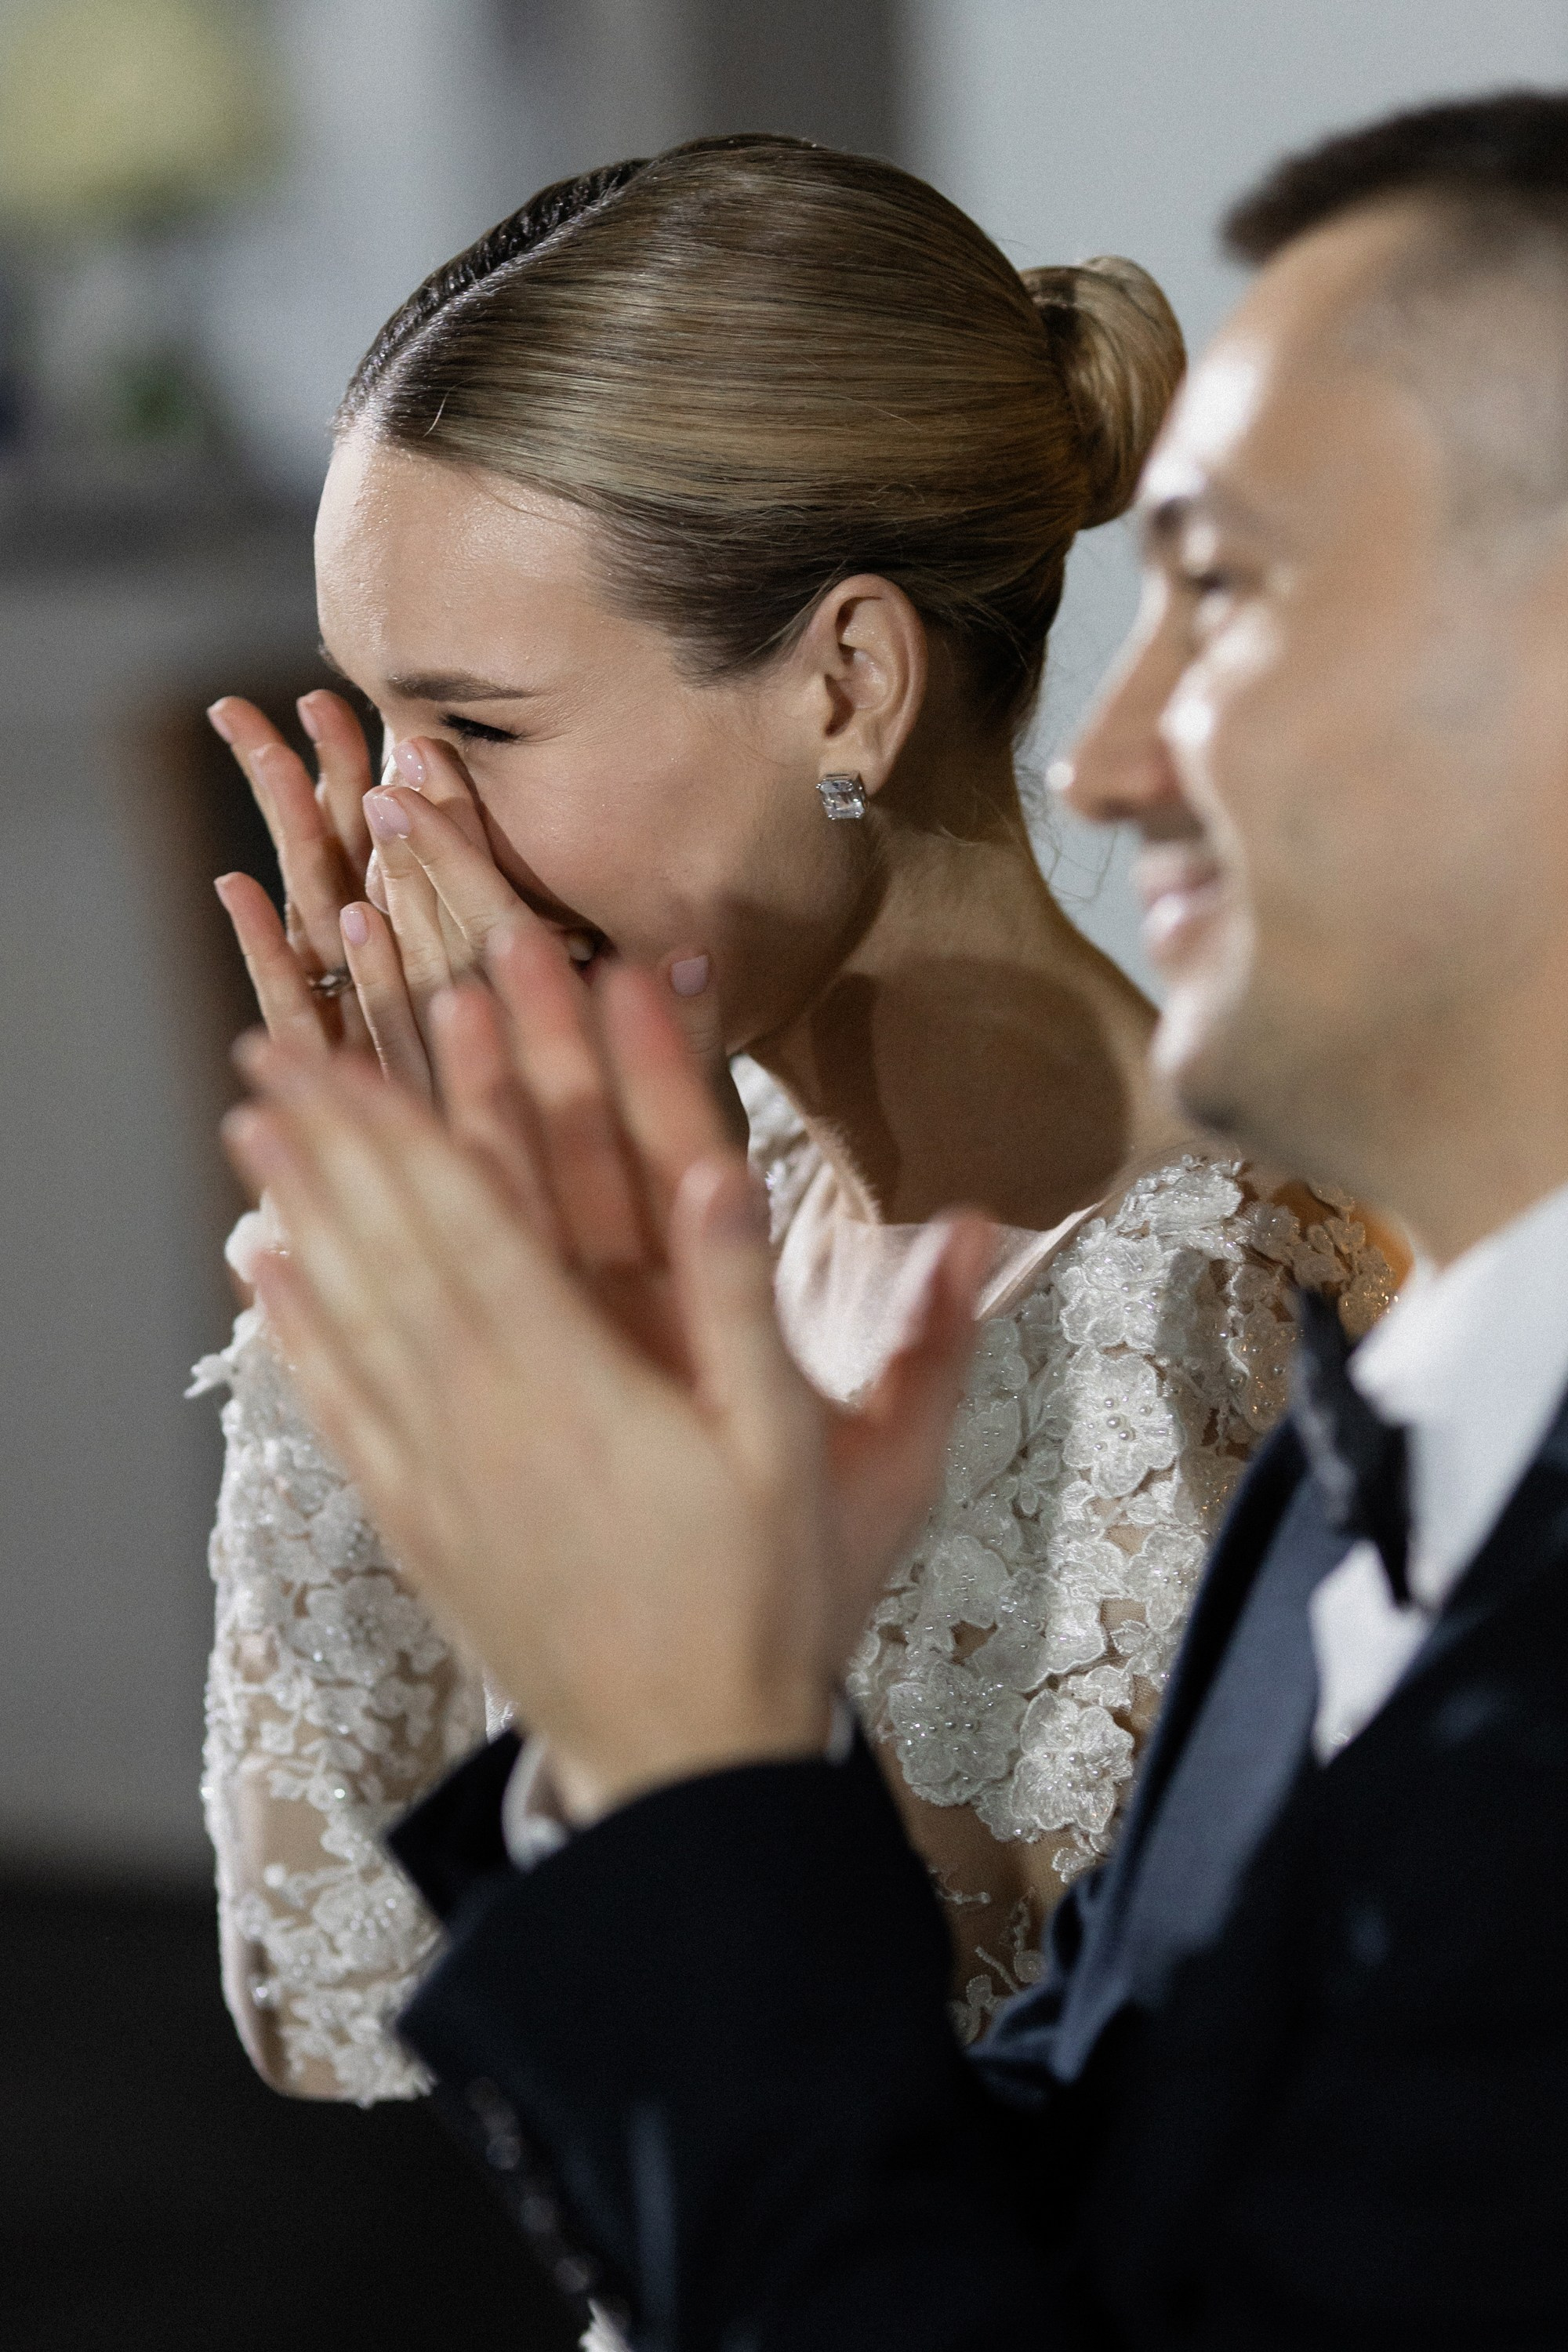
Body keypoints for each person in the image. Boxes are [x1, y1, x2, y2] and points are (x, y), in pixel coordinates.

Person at [225, 89, 1568, 2346]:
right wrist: (399, 1314)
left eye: (476, 722)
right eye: (374, 720)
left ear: (844, 681)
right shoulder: (687, 1211)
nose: (399, 829)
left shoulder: (1259, 1299)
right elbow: (344, 1995)